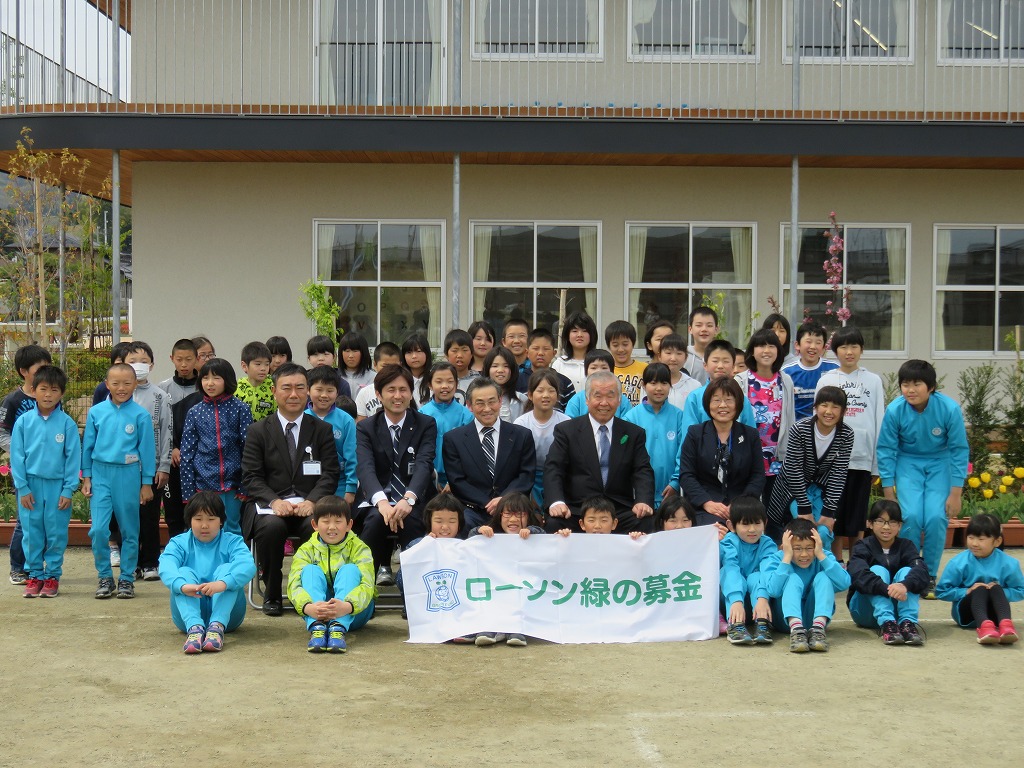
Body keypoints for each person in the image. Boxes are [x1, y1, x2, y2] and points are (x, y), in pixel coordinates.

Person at [240, 363, 341, 616]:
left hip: (309, 506)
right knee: (272, 529)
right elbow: (251, 477)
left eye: (299, 388)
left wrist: (314, 501)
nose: (293, 394)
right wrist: (274, 502)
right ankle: (272, 594)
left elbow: (330, 473)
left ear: (308, 392)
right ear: (274, 391)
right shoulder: (258, 431)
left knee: (316, 528)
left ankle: (311, 594)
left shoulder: (322, 430)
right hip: (270, 508)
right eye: (286, 388)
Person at [877, 359, 969, 598]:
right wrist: (889, 491)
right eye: (905, 384)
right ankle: (908, 572)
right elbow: (886, 449)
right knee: (911, 517)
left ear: (931, 387)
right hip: (907, 463)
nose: (910, 389)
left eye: (917, 384)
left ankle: (928, 575)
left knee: (937, 517)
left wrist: (956, 492)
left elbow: (959, 449)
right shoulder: (895, 409)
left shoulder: (949, 409)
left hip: (941, 462)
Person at [544, 370, 655, 534]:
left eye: (610, 396)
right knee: (555, 522)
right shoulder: (567, 431)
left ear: (619, 401)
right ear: (587, 400)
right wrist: (556, 502)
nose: (604, 403)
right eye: (598, 396)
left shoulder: (633, 433)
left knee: (646, 521)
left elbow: (642, 470)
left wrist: (642, 501)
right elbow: (554, 468)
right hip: (578, 509)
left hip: (618, 510)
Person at [354, 365, 437, 584]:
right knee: (374, 522)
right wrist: (382, 503)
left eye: (403, 390)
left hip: (414, 498)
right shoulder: (366, 428)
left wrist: (408, 499)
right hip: (377, 499)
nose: (398, 396)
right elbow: (365, 467)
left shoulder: (425, 424)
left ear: (411, 393)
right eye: (391, 390)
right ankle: (363, 590)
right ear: (379, 394)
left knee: (412, 522)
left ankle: (413, 592)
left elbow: (424, 464)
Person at [82, 363, 156, 600]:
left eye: (127, 383)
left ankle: (126, 578)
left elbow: (147, 451)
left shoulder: (140, 415)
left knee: (130, 530)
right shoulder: (96, 412)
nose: (121, 388)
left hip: (128, 474)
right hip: (100, 473)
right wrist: (86, 477)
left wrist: (146, 483)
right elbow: (88, 447)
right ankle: (105, 576)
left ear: (135, 384)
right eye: (115, 383)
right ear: (107, 385)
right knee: (98, 530)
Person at [816, 326, 885, 563]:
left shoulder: (873, 380)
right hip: (832, 461)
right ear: (835, 351)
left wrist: (875, 465)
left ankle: (857, 561)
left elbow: (879, 420)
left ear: (861, 349)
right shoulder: (827, 379)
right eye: (843, 347)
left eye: (854, 346)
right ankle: (835, 560)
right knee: (833, 511)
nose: (849, 352)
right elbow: (819, 418)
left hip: (861, 459)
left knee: (857, 514)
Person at [11, 365, 80, 599]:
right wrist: (23, 487)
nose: (48, 394)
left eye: (54, 390)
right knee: (31, 532)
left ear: (61, 393)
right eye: (43, 389)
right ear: (33, 390)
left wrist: (68, 490)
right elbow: (17, 457)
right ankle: (34, 576)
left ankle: (52, 576)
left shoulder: (67, 424)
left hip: (58, 488)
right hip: (30, 486)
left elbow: (73, 459)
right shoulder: (23, 422)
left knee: (56, 532)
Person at [157, 492, 257, 654]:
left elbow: (247, 565)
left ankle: (216, 627)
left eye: (211, 519)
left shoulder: (233, 541)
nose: (204, 525)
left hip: (230, 618)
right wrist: (182, 586)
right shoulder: (179, 542)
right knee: (183, 572)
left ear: (221, 521)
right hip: (185, 618)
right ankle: (194, 629)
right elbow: (166, 565)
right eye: (198, 519)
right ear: (189, 521)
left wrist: (222, 584)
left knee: (227, 571)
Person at [443, 378, 537, 532]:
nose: (487, 409)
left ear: (500, 401)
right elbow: (457, 481)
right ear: (469, 406)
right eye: (480, 403)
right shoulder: (454, 439)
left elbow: (526, 475)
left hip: (513, 508)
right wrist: (487, 502)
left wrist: (503, 501)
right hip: (473, 510)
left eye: (492, 401)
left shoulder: (522, 435)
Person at [766, 386, 854, 547]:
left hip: (820, 488)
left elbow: (838, 473)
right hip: (792, 488)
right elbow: (794, 468)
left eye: (835, 407)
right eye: (824, 405)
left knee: (824, 531)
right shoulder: (800, 429)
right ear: (816, 407)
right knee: (798, 530)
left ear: (843, 411)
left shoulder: (846, 434)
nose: (829, 411)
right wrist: (804, 507)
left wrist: (828, 511)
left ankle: (821, 565)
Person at [287, 496, 375, 654]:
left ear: (349, 525)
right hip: (317, 611)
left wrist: (347, 606)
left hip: (354, 611)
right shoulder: (306, 550)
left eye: (338, 521)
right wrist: (309, 607)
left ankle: (338, 628)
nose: (332, 527)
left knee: (350, 570)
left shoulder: (361, 549)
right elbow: (294, 585)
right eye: (326, 521)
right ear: (314, 525)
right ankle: (317, 627)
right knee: (310, 571)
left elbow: (368, 585)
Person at [468, 492, 554, 647]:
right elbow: (470, 541)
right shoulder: (491, 535)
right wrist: (479, 531)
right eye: (508, 514)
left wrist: (532, 532)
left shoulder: (533, 534)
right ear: (499, 515)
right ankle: (491, 629)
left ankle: (516, 630)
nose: (513, 520)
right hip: (495, 591)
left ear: (528, 516)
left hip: (522, 592)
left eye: (520, 514)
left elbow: (544, 537)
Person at [180, 357, 254, 535]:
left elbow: (248, 449)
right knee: (206, 530)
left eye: (216, 378)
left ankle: (234, 563)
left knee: (231, 528)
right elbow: (187, 453)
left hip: (233, 483)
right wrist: (188, 490)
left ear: (227, 380)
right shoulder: (194, 412)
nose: (210, 383)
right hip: (203, 484)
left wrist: (245, 485)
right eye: (205, 378)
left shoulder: (240, 409)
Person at [678, 377, 765, 527]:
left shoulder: (750, 435)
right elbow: (687, 475)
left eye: (729, 400)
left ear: (738, 404)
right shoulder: (695, 433)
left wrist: (740, 504)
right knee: (713, 528)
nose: (723, 405)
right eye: (716, 400)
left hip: (742, 506)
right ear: (708, 404)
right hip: (704, 506)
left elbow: (757, 476)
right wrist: (707, 503)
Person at [1, 343, 53, 585]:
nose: (45, 371)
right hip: (25, 471)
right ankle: (17, 567)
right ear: (24, 371)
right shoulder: (12, 400)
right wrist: (23, 452)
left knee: (45, 520)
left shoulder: (52, 398)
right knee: (26, 520)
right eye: (40, 367)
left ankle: (37, 565)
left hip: (49, 472)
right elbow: (2, 435)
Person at [762, 518, 850, 653]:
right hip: (785, 621)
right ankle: (796, 630)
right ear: (786, 546)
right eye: (797, 548)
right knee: (792, 578)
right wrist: (786, 558)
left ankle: (818, 629)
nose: (804, 554)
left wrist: (821, 554)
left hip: (812, 619)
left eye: (809, 548)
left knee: (824, 577)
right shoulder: (777, 558)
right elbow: (773, 591)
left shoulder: (822, 556)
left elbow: (844, 583)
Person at [846, 500, 928, 646]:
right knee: (878, 570)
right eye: (880, 521)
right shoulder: (862, 546)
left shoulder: (907, 546)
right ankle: (887, 624)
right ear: (869, 524)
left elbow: (922, 571)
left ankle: (907, 624)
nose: (886, 527)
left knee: (909, 572)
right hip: (865, 613)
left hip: (897, 610)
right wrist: (887, 588)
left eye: (892, 522)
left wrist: (904, 585)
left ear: (900, 526)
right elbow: (858, 574)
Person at [124, 341, 173, 581]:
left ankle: (150, 562)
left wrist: (163, 466)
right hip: (124, 470)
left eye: (143, 361)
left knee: (150, 517)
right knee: (127, 517)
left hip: (151, 469)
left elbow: (167, 433)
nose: (138, 366)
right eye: (133, 361)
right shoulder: (120, 397)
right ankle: (130, 562)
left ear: (152, 365)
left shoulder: (160, 397)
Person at [936, 513, 1024, 645]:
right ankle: (984, 628)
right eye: (970, 538)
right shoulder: (958, 562)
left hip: (995, 616)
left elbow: (1020, 590)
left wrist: (997, 591)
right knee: (980, 588)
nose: (974, 543)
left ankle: (1006, 626)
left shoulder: (1009, 563)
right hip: (966, 615)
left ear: (997, 541)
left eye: (981, 539)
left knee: (995, 587)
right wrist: (967, 591)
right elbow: (941, 591)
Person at [738, 328, 796, 510]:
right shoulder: (740, 381)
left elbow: (790, 418)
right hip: (749, 455)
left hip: (777, 458)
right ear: (752, 351)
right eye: (761, 346)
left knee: (775, 511)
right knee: (749, 509)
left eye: (772, 346)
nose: (766, 350)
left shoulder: (785, 381)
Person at [623, 363, 686, 508]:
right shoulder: (631, 417)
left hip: (671, 492)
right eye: (653, 383)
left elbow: (683, 452)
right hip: (640, 496)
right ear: (644, 385)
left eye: (664, 383)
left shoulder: (678, 416)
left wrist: (676, 482)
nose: (659, 388)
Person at [719, 496, 777, 646]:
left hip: (758, 601)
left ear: (765, 523)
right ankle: (735, 624)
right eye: (745, 524)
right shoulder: (729, 541)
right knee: (728, 571)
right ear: (731, 526)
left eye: (757, 523)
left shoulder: (768, 544)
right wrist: (736, 601)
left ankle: (762, 623)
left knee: (757, 575)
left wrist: (763, 598)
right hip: (732, 600)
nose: (752, 529)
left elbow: (767, 571)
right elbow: (731, 568)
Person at [515, 369, 571, 507]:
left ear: (558, 396)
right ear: (530, 395)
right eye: (540, 391)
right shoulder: (521, 423)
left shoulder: (566, 422)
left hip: (558, 476)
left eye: (551, 391)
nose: (546, 395)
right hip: (529, 476)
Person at [305, 366, 358, 504]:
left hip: (339, 485)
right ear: (308, 390)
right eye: (319, 390)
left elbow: (352, 456)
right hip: (306, 485)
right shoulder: (301, 418)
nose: (324, 395)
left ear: (337, 392)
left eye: (330, 390)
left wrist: (350, 489)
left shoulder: (346, 420)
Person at [680, 340, 755, 435]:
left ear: (732, 366)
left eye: (726, 361)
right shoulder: (694, 397)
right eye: (715, 361)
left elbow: (750, 433)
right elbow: (688, 436)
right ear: (705, 365)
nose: (720, 366)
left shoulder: (740, 397)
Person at [419, 361, 474, 491]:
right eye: (439, 382)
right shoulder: (422, 414)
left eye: (450, 381)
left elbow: (469, 453)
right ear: (430, 385)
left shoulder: (465, 415)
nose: (445, 386)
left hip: (459, 479)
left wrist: (453, 482)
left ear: (456, 384)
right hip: (428, 478)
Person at [781, 320, 838, 420]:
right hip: (797, 430)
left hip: (826, 427)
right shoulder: (786, 372)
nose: (813, 347)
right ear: (797, 345)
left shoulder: (834, 369)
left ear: (824, 348)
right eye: (808, 342)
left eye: (818, 343)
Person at [563, 350, 632, 418]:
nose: (599, 371)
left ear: (612, 371)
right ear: (586, 372)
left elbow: (628, 424)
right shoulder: (577, 400)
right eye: (593, 368)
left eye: (604, 368)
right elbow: (570, 424)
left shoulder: (623, 400)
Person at [525, 328, 576, 410]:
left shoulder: (565, 383)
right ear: (527, 353)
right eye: (536, 348)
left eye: (546, 349)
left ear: (554, 353)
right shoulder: (517, 381)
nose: (540, 353)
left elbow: (572, 413)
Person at [354, 341, 402, 420]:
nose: (389, 370)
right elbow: (360, 424)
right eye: (385, 366)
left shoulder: (406, 390)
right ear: (375, 365)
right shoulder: (365, 393)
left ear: (400, 365)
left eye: (394, 366)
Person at [552, 311, 597, 393]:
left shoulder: (598, 362)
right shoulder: (559, 364)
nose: (580, 335)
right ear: (567, 335)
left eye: (584, 331)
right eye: (575, 331)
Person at [605, 320, 647, 406]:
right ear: (609, 346)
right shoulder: (605, 370)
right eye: (615, 345)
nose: (621, 349)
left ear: (633, 343)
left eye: (625, 344)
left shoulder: (645, 368)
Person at [483, 346, 527, 423]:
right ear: (487, 369)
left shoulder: (522, 400)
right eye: (495, 366)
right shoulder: (477, 399)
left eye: (506, 366)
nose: (500, 370)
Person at [236, 340, 276, 421]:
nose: (263, 368)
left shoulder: (274, 386)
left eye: (267, 364)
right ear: (244, 366)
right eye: (258, 364)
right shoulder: (236, 388)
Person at [305, 334, 353, 400]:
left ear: (334, 357)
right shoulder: (304, 382)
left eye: (326, 354)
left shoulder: (342, 384)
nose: (321, 358)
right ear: (309, 358)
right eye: (315, 354)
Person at [658, 334, 699, 410]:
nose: (673, 358)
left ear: (686, 357)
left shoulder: (694, 386)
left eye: (679, 353)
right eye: (668, 353)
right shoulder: (650, 383)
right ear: (659, 356)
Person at [575, 496, 645, 540]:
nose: (597, 526)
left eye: (604, 520)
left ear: (614, 523)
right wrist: (565, 537)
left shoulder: (623, 543)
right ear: (582, 524)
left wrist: (639, 540)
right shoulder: (575, 543)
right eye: (591, 520)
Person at [684, 307, 720, 385]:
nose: (704, 329)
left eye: (709, 326)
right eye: (699, 325)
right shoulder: (683, 356)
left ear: (716, 330)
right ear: (690, 329)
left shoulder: (723, 356)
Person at [444, 328, 478, 404]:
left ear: (471, 354)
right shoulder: (440, 380)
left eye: (465, 350)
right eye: (454, 351)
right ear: (446, 355)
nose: (459, 355)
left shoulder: (478, 381)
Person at [92, 341, 131, 405]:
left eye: (128, 360)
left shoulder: (139, 388)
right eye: (120, 360)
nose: (124, 364)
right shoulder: (103, 389)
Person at [501, 319, 531, 393]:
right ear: (504, 342)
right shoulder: (499, 368)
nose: (517, 341)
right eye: (511, 336)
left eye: (522, 336)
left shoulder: (534, 366)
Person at [401, 333, 431, 406]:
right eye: (409, 352)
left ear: (427, 353)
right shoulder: (400, 380)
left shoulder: (434, 378)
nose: (414, 356)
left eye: (418, 351)